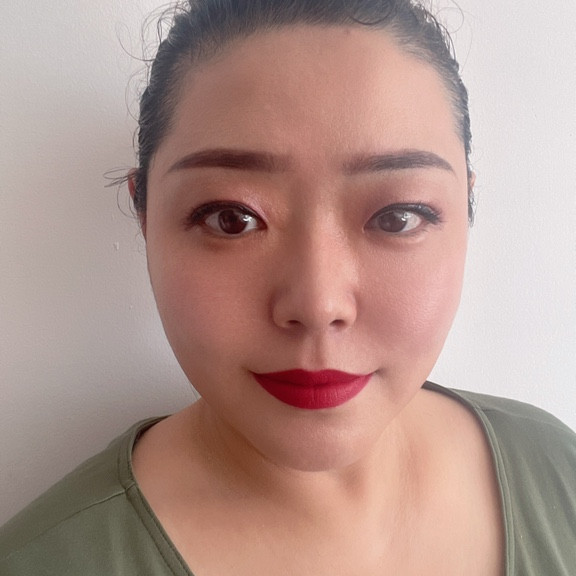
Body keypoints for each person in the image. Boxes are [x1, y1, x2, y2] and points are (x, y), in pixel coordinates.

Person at [1, 0, 575, 574]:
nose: (318, 305)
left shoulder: (557, 467)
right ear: (145, 216)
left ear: (466, 210)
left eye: (397, 217)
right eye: (231, 219)